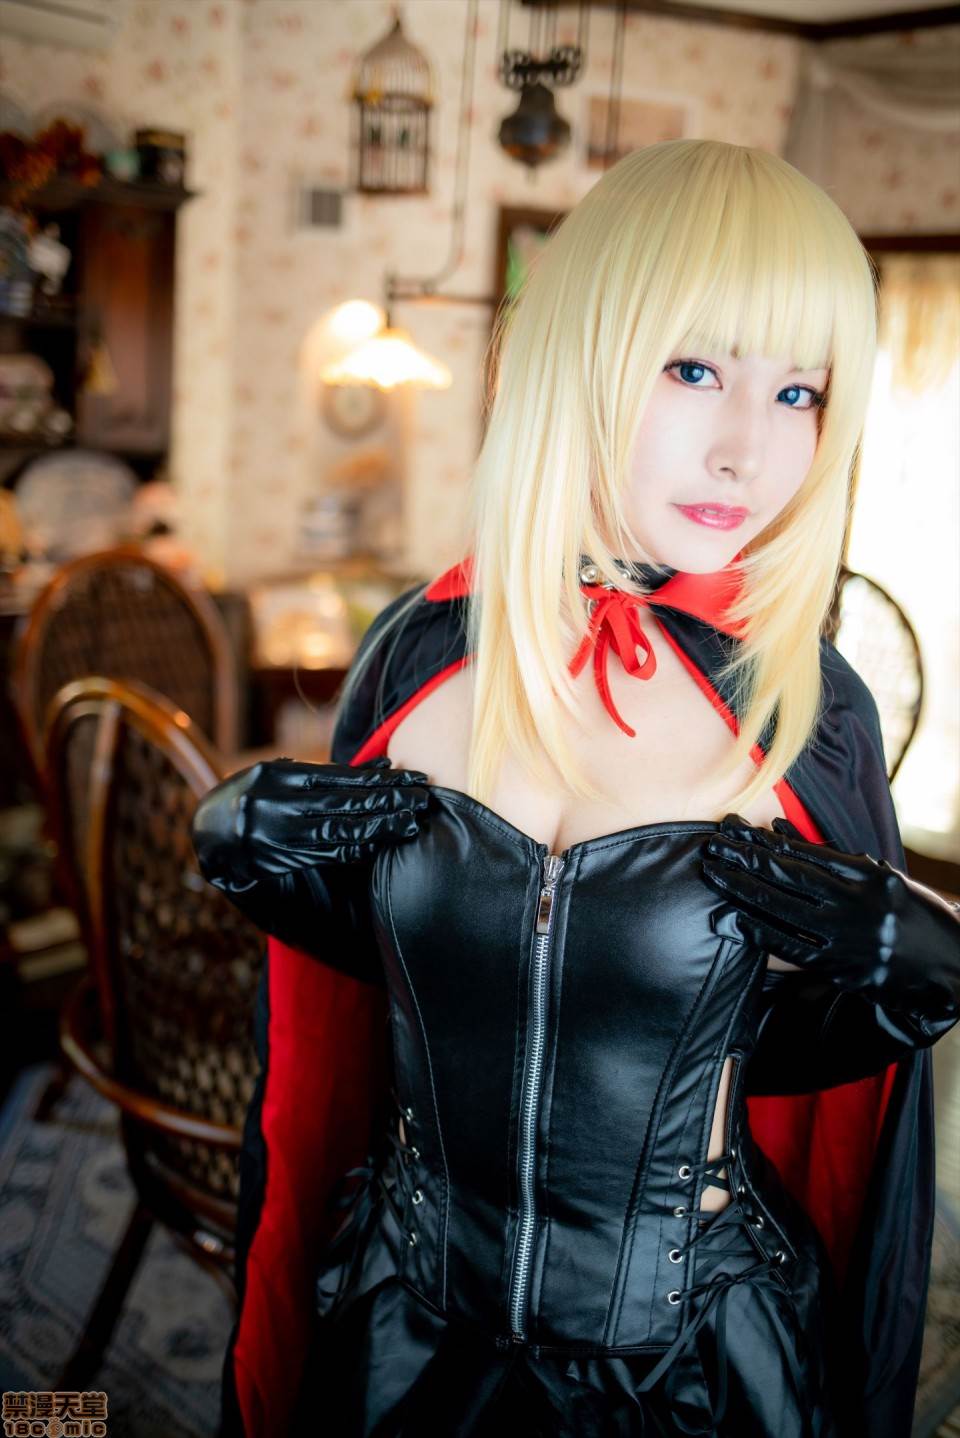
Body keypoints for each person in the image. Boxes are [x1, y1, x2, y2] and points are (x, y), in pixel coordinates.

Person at [191, 139, 960, 1438]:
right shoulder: (422, 652)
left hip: (689, 1372)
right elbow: (381, 988)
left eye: (799, 391)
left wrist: (921, 980)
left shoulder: (809, 714)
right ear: (578, 358)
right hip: (405, 1332)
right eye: (694, 369)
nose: (745, 451)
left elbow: (779, 1069)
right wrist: (248, 858)